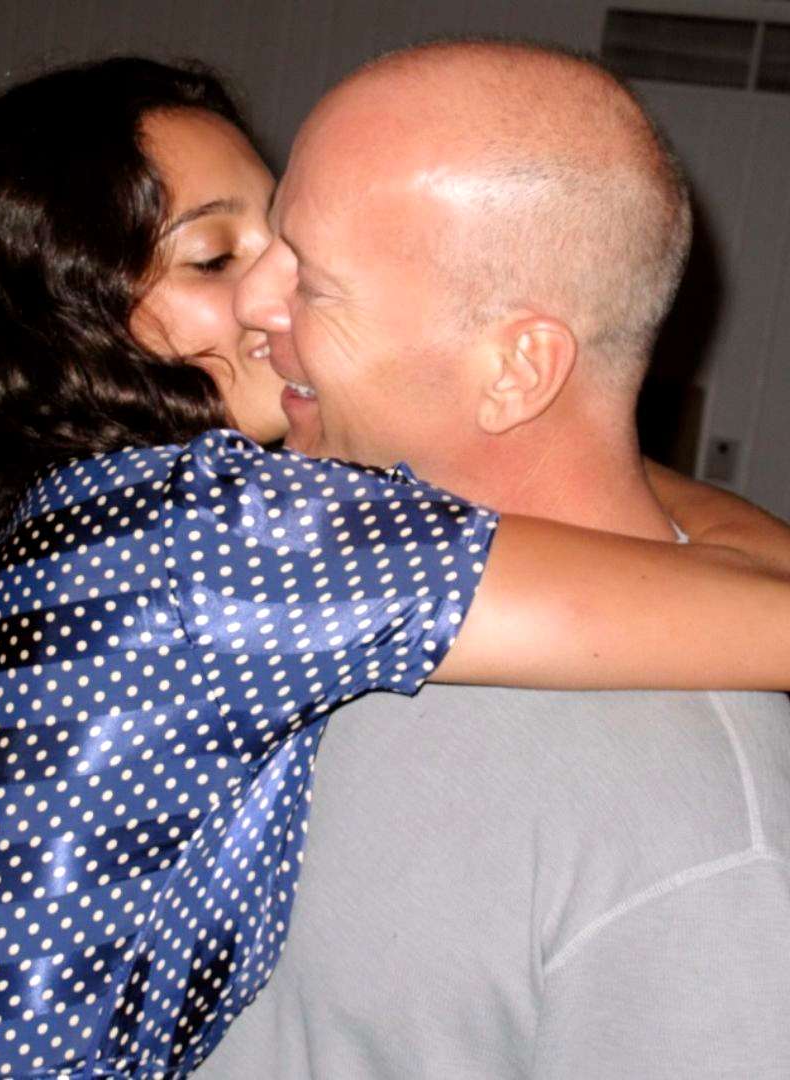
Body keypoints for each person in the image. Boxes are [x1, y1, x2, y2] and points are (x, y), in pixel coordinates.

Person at [0, 57, 790, 1078]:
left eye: (290, 246)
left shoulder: (11, 542)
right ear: (69, 323)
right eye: (215, 259)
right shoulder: (204, 547)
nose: (270, 297)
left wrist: (561, 410)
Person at [193, 40, 790, 1078]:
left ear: (517, 370)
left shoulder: (693, 824)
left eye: (314, 284)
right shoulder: (269, 573)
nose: (252, 305)